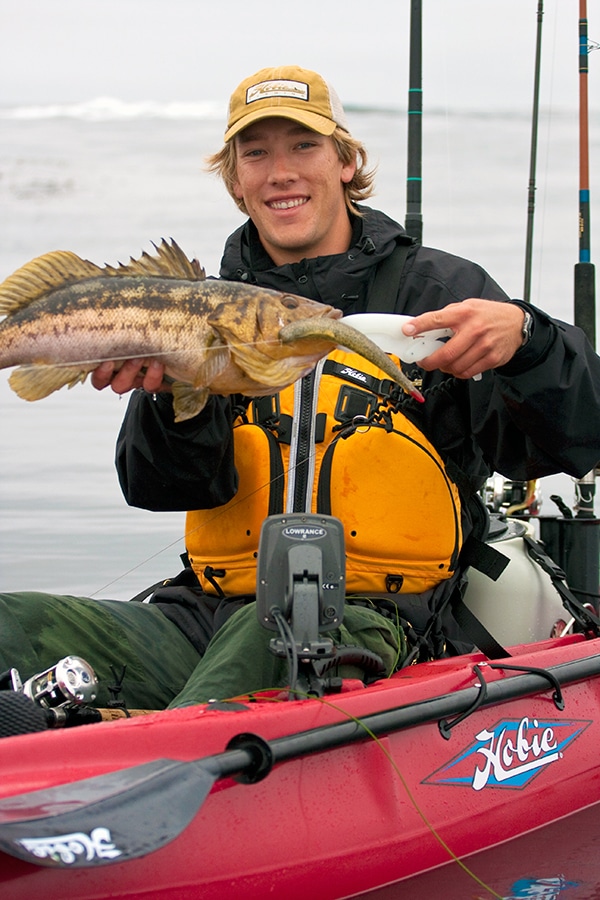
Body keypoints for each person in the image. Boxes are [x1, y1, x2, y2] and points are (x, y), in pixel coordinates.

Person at [2, 65, 600, 714]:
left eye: (304, 146)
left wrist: (531, 339)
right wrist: (166, 398)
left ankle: (149, 770)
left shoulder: (438, 294)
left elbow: (577, 437)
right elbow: (159, 487)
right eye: (256, 153)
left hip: (370, 621)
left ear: (346, 161)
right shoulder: (194, 306)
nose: (279, 171)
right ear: (235, 179)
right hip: (202, 616)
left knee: (278, 637)